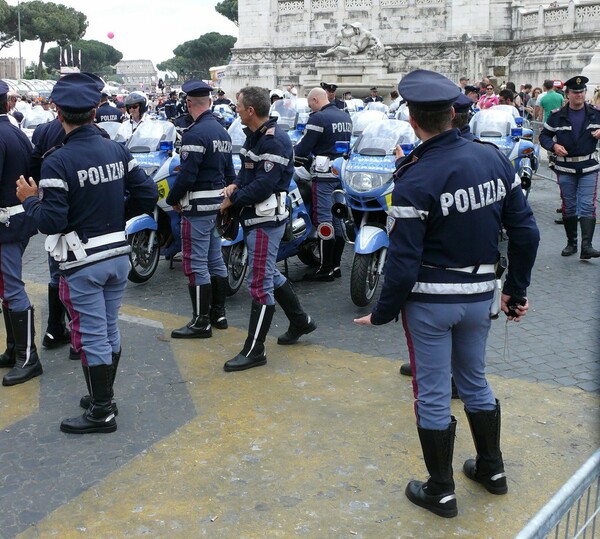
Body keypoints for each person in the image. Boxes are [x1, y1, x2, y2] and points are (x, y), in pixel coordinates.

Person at [354, 69, 539, 518]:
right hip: (481, 297)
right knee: (474, 380)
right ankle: (492, 471)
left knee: (433, 393)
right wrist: (515, 290)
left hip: (432, 303)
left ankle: (441, 489)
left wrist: (380, 312)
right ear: (454, 114)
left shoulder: (415, 177)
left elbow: (401, 260)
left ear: (414, 121)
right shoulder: (493, 158)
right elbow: (526, 233)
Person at [17, 73, 158, 434]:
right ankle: (103, 394)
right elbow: (147, 196)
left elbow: (51, 221)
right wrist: (114, 218)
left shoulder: (57, 161)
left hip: (83, 261)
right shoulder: (117, 149)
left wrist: (29, 201)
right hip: (116, 254)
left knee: (93, 335)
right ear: (95, 110)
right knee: (109, 329)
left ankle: (101, 411)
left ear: (58, 112)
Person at [220, 87, 316, 372]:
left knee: (259, 285)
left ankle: (255, 350)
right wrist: (236, 184)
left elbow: (264, 185)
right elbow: (247, 171)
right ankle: (301, 321)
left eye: (238, 105)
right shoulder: (256, 136)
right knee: (269, 274)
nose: (235, 108)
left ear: (251, 110)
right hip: (254, 218)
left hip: (265, 221)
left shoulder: (275, 141)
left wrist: (231, 200)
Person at [165, 80, 235, 339]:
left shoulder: (194, 134)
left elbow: (187, 175)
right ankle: (219, 313)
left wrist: (173, 198)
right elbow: (230, 173)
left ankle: (200, 321)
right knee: (215, 260)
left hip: (196, 209)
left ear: (189, 103)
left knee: (196, 263)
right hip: (216, 207)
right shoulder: (222, 132)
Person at [0, 79, 43, 386]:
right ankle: (14, 348)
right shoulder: (15, 130)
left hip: (5, 223)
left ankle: (27, 357)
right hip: (18, 219)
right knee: (7, 286)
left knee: (11, 287)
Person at [294, 87, 352, 281]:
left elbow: (303, 148)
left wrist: (289, 153)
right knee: (337, 219)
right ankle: (335, 266)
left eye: (310, 104)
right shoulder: (345, 117)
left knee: (324, 219)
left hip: (323, 174)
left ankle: (325, 268)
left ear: (316, 100)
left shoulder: (318, 119)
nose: (311, 108)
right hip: (340, 173)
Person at [539, 75, 600, 259]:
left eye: (582, 92)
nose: (579, 95)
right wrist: (554, 146)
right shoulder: (558, 116)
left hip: (589, 166)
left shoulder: (596, 113)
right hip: (565, 169)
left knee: (588, 205)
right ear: (567, 94)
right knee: (570, 206)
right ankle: (571, 243)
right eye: (575, 92)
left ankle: (587, 246)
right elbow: (544, 137)